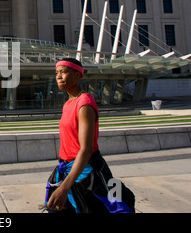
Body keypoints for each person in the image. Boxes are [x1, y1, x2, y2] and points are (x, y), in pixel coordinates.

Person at [44, 58, 135, 213]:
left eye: (64, 72)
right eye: (57, 73)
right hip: (67, 169)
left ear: (79, 75)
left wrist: (64, 187)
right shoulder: (68, 103)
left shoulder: (84, 103)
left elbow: (86, 150)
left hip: (87, 173)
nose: (58, 76)